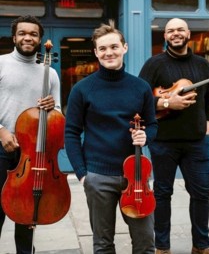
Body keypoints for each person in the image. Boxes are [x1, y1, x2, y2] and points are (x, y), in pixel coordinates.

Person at [64, 20, 158, 254]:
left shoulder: (141, 87)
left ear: (124, 48)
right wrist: (83, 175)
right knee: (103, 244)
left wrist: (145, 137)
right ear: (96, 52)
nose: (109, 53)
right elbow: (72, 133)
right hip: (98, 176)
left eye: (114, 47)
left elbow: (153, 125)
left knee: (146, 243)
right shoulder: (82, 89)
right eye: (103, 49)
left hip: (136, 176)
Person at [139, 18, 209, 254]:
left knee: (202, 193)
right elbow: (140, 99)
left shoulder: (203, 65)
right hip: (163, 142)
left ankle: (201, 245)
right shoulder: (153, 64)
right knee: (163, 194)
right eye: (171, 30)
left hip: (197, 142)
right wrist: (166, 102)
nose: (176, 33)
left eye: (180, 29)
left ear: (188, 33)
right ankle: (162, 246)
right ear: (165, 36)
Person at [0, 15, 61, 254]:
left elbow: (56, 114)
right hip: (2, 146)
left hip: (34, 152)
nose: (28, 37)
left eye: (33, 34)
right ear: (14, 37)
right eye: (23, 33)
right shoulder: (1, 63)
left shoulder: (50, 73)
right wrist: (1, 131)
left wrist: (50, 107)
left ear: (40, 39)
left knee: (27, 212)